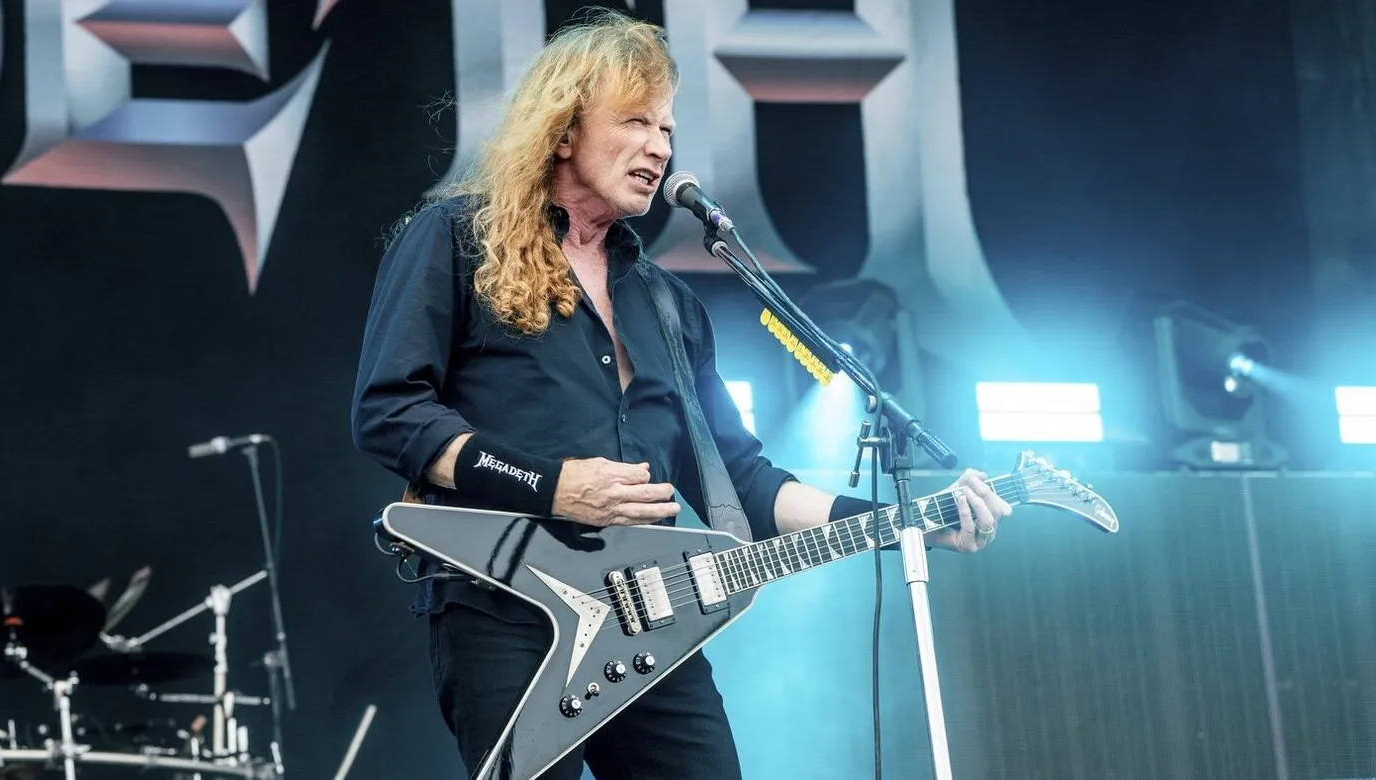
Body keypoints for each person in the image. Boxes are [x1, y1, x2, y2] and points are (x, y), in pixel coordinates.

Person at [351, 9, 1011, 779]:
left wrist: (909, 522)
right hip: (504, 606)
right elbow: (390, 412)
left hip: (649, 618)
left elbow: (746, 485)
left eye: (666, 128)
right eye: (635, 121)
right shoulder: (456, 240)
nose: (660, 146)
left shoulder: (668, 305)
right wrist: (553, 487)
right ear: (563, 130)